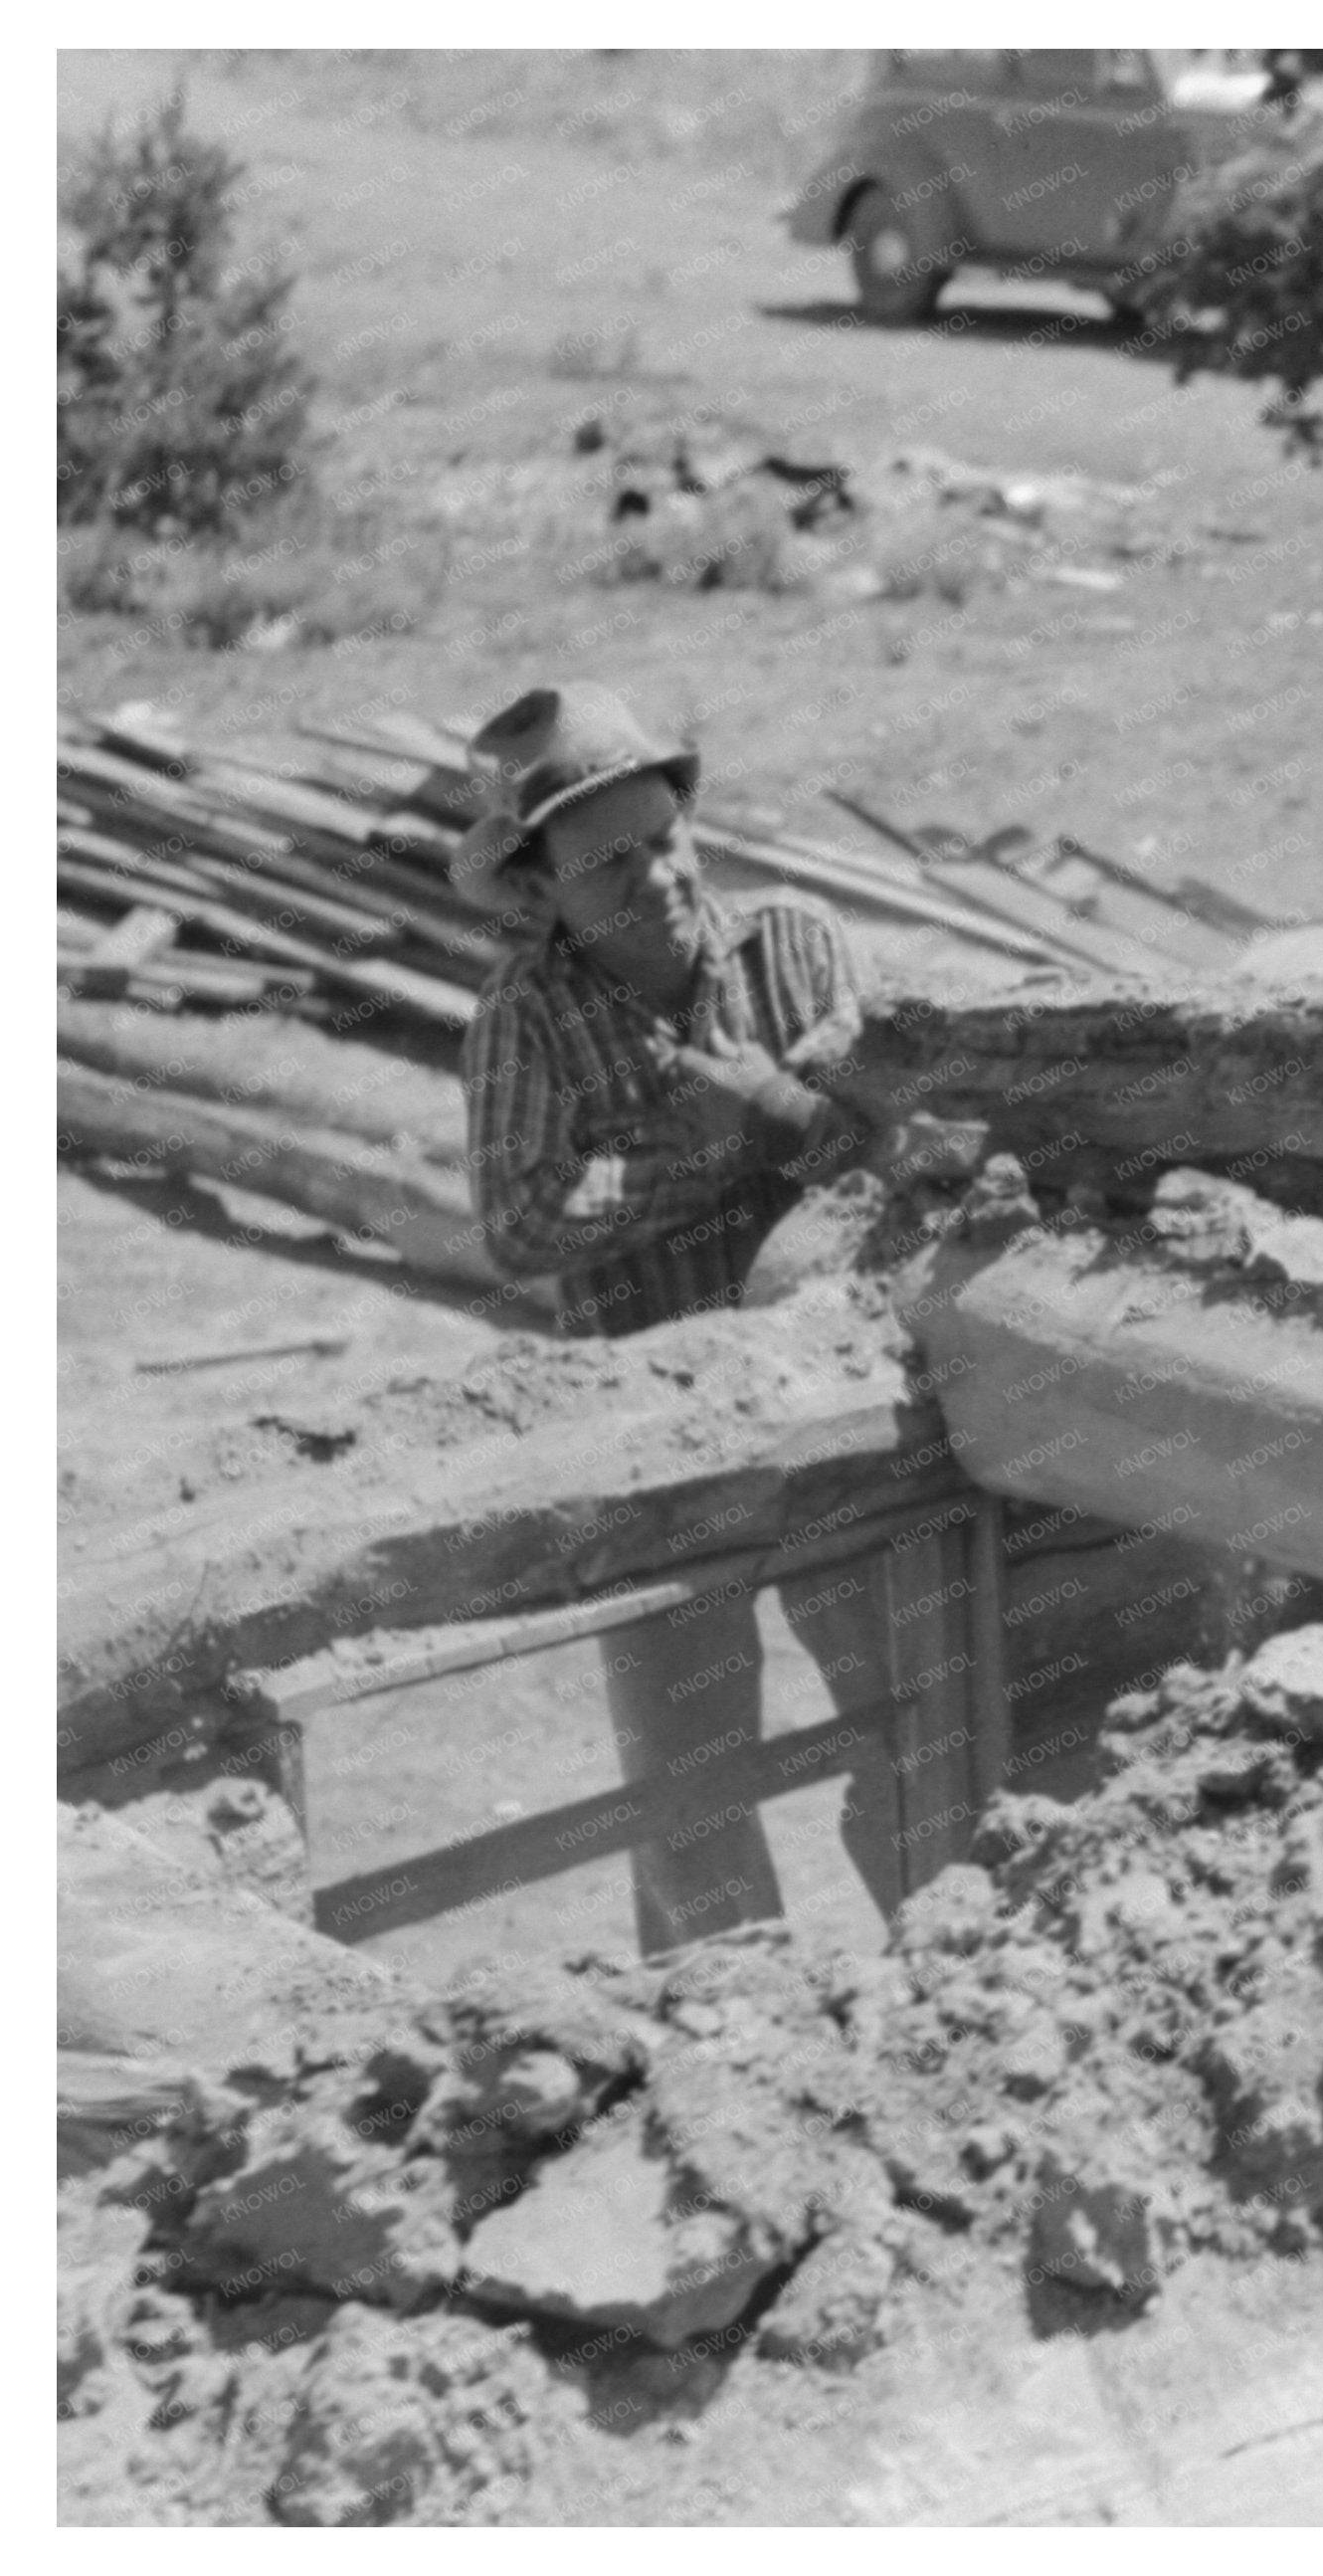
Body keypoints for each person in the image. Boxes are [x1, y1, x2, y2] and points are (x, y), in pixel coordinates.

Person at [453, 681, 945, 1953]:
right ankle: (717, 2038)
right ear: (537, 892)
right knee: (689, 1779)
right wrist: (715, 1158)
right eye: (605, 866)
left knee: (907, 1716)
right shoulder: (527, 1018)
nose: (656, 881)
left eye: (664, 839)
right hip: (651, 1432)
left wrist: (770, 1112)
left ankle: (952, 1978)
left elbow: (892, 1147)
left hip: (838, 1412)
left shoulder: (795, 945)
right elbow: (521, 1220)